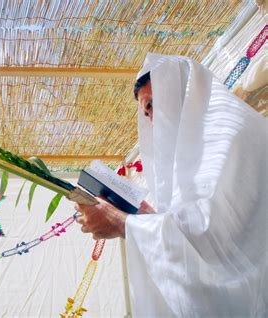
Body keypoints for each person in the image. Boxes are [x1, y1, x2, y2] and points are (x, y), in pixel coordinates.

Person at [75, 54, 267, 316]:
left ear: (186, 93)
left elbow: (223, 240)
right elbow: (203, 239)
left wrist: (122, 223)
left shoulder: (232, 136)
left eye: (153, 104)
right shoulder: (193, 156)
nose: (152, 119)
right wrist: (149, 218)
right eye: (146, 112)